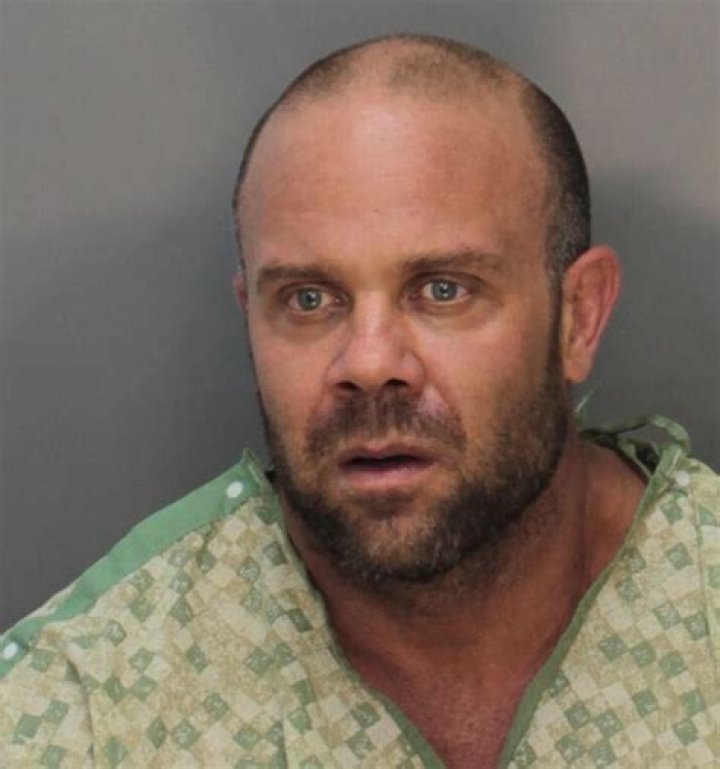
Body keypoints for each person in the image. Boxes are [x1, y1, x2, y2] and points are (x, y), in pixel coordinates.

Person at [1, 34, 717, 768]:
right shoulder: (87, 707)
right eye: (309, 299)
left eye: (444, 289)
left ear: (579, 318)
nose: (370, 364)